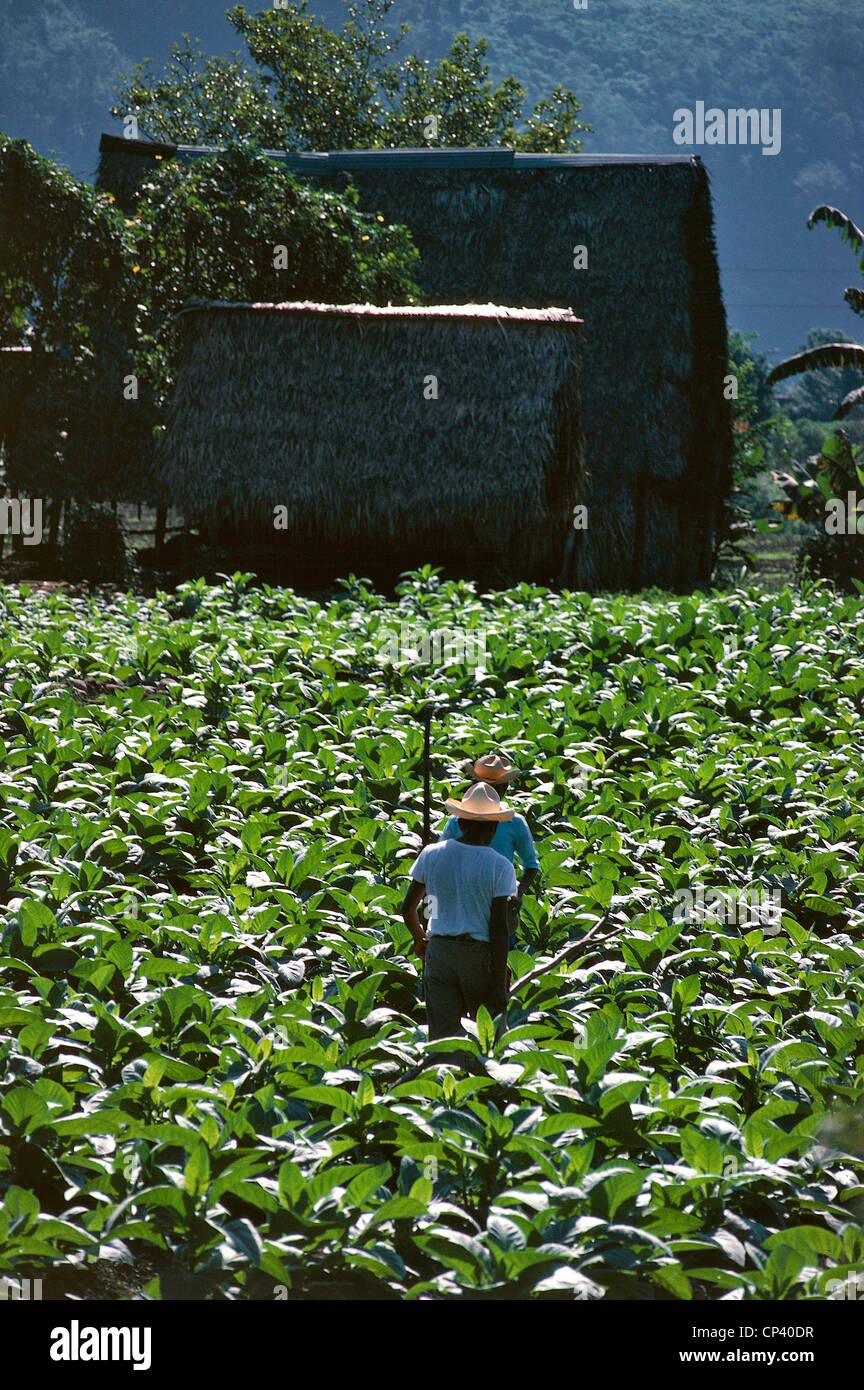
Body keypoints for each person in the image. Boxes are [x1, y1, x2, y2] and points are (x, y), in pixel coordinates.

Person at [401, 782, 517, 1046]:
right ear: (494, 827)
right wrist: (499, 982)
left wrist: (421, 938)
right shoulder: (500, 865)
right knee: (489, 1040)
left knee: (443, 1041)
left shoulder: (431, 854)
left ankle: (443, 1082)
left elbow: (409, 908)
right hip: (478, 958)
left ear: (460, 823)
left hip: (439, 954)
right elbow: (498, 928)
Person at [438, 754, 539, 947]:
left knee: (500, 949)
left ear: (504, 788)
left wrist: (518, 892)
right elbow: (441, 858)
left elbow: (531, 865)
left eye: (493, 787)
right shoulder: (456, 821)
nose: (486, 791)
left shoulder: (515, 822)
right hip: (465, 899)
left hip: (501, 900)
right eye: (480, 784)